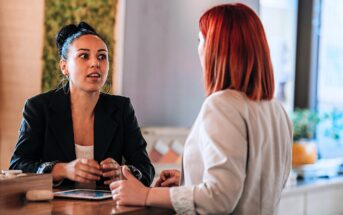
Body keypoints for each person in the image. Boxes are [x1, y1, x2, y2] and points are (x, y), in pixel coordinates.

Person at [109, 3, 292, 214]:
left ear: (216, 48)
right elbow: (251, 184)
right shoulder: (277, 111)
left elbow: (219, 199)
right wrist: (190, 182)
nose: (199, 49)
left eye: (200, 40)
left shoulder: (222, 105)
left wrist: (145, 194)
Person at [10, 22, 154, 187]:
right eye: (84, 56)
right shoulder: (38, 107)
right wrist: (62, 170)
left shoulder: (121, 108)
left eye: (102, 56)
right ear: (64, 67)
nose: (95, 63)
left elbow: (146, 169)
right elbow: (17, 166)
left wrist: (122, 172)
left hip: (108, 209)